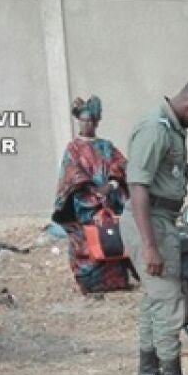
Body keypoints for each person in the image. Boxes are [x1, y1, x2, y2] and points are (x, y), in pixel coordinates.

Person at [121, 76, 188, 375]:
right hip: (150, 221)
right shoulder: (156, 129)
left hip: (159, 219)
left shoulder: (171, 128)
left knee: (155, 300)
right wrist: (150, 245)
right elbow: (138, 187)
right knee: (167, 302)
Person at [52, 95, 131, 295]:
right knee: (88, 241)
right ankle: (90, 282)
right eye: (83, 120)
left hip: (109, 202)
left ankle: (116, 280)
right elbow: (71, 173)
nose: (86, 124)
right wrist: (92, 190)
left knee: (111, 238)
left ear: (96, 122)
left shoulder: (106, 146)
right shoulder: (73, 148)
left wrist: (111, 185)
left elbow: (122, 165)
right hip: (84, 204)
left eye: (90, 121)